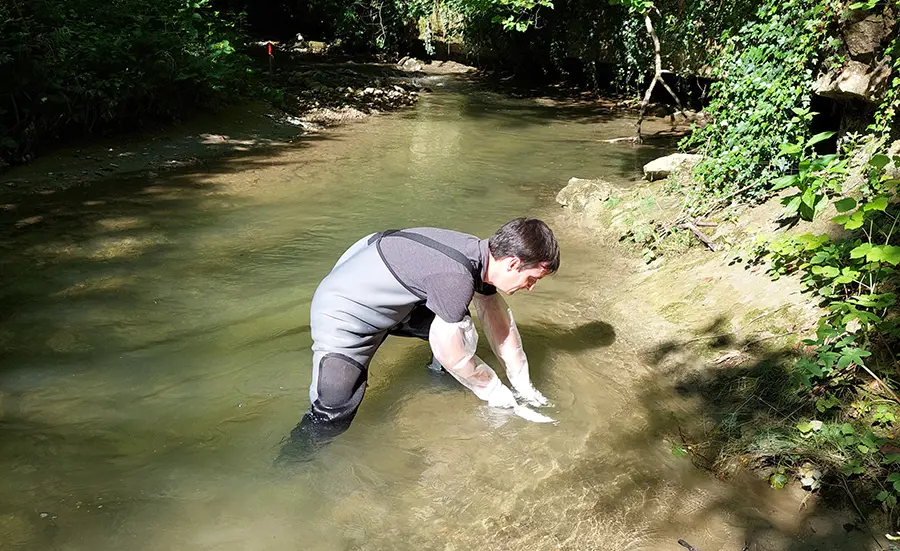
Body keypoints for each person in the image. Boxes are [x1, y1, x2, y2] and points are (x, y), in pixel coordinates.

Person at [282, 218, 560, 454]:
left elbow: (499, 323)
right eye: (532, 279)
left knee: (460, 327)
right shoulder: (456, 278)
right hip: (344, 313)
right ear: (512, 263)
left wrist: (523, 385)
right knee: (332, 414)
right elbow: (454, 355)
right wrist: (497, 395)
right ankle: (290, 467)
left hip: (386, 291)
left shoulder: (479, 254)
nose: (530, 287)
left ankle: (437, 381)